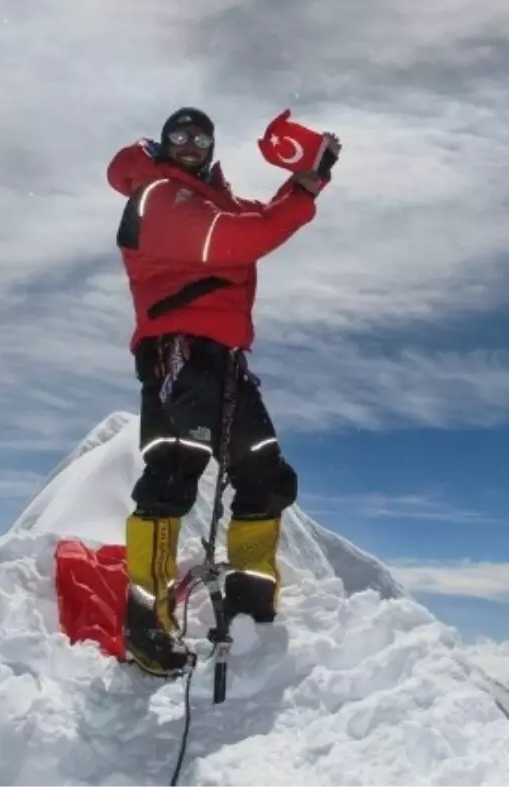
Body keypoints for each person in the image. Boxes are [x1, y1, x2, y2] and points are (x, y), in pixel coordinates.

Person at [105, 106, 340, 676]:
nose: (190, 144)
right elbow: (242, 239)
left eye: (201, 136)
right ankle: (146, 625)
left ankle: (249, 610)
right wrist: (301, 194)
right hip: (179, 349)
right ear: (162, 144)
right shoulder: (159, 195)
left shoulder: (207, 196)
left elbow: (258, 214)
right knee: (174, 471)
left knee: (266, 475)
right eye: (180, 136)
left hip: (223, 357)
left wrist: (306, 178)